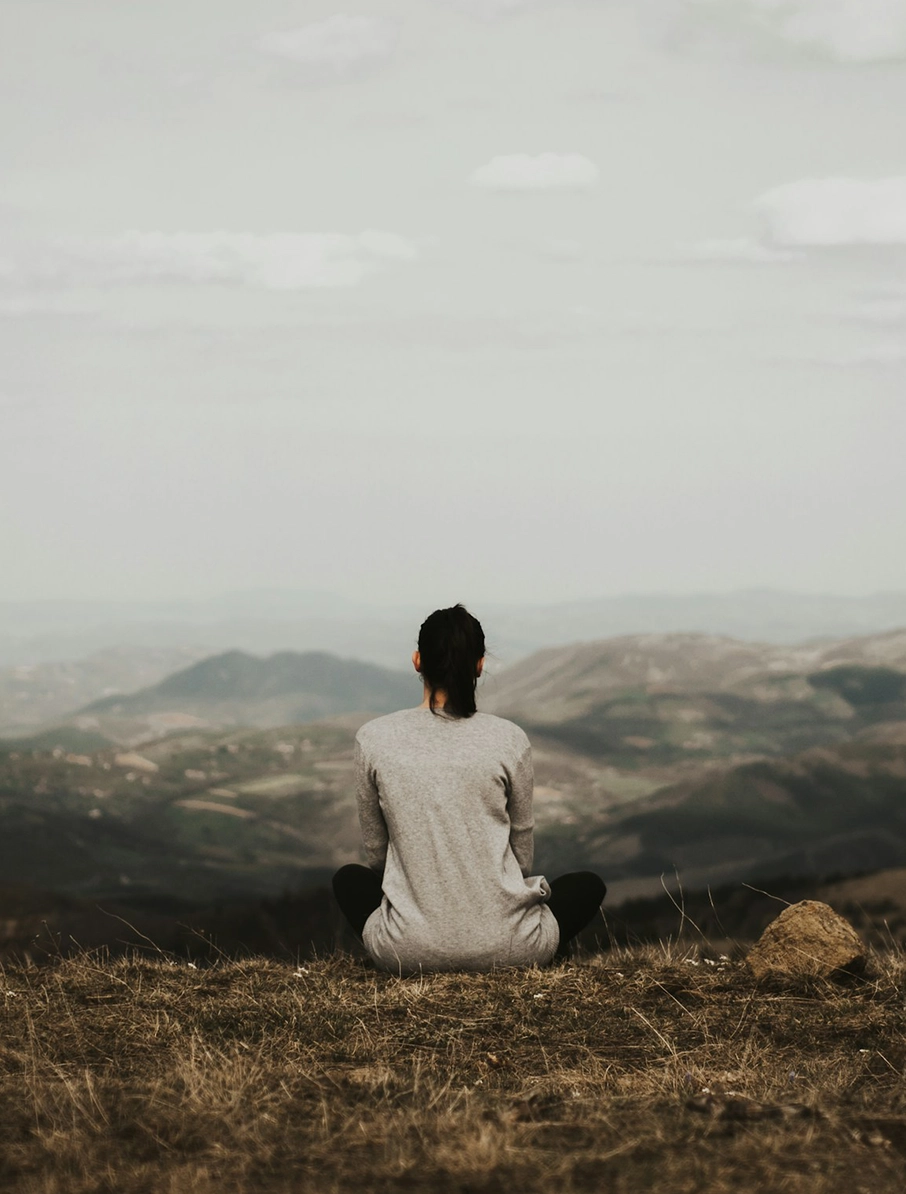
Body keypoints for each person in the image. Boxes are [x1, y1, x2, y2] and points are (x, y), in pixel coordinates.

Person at [332, 604, 606, 974]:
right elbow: (522, 856)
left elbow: (377, 856)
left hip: (407, 952)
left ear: (417, 661)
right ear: (479, 665)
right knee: (586, 885)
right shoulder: (509, 738)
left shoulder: (373, 738)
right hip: (513, 948)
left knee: (348, 880)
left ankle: (422, 938)